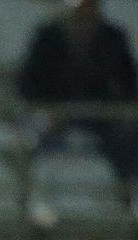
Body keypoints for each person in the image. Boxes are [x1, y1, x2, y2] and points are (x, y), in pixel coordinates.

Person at [18, 0, 138, 197]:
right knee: (32, 136)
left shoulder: (113, 38)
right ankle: (34, 196)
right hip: (56, 115)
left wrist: (114, 111)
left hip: (102, 118)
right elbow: (27, 87)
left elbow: (129, 88)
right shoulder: (47, 38)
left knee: (130, 135)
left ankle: (125, 195)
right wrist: (46, 111)